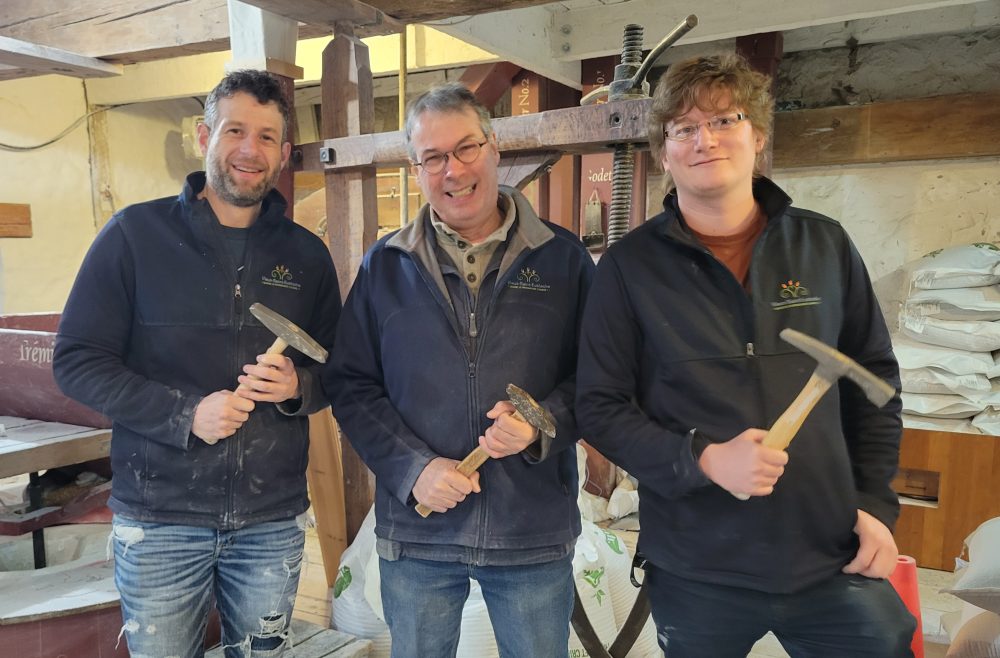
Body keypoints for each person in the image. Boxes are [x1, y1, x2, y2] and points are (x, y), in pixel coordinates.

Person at [575, 54, 916, 657]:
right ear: (664, 153)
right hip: (696, 563)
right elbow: (600, 407)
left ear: (757, 136)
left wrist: (875, 507)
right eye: (683, 128)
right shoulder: (629, 269)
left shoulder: (824, 245)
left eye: (723, 120)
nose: (704, 139)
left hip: (830, 551)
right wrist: (702, 459)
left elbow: (874, 386)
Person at [53, 69, 342, 657]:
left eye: (266, 137)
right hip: (160, 519)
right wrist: (185, 413)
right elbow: (77, 361)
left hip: (269, 519)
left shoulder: (307, 256)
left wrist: (296, 386)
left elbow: (338, 368)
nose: (248, 150)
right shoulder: (135, 235)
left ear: (284, 154)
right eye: (235, 130)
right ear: (203, 135)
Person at [326, 82, 594, 657]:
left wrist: (542, 423)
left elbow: (601, 378)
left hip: (530, 530)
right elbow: (350, 384)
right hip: (419, 533)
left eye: (466, 148)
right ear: (416, 168)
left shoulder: (564, 260)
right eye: (434, 157)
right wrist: (412, 468)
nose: (454, 170)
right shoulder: (385, 265)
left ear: (494, 147)